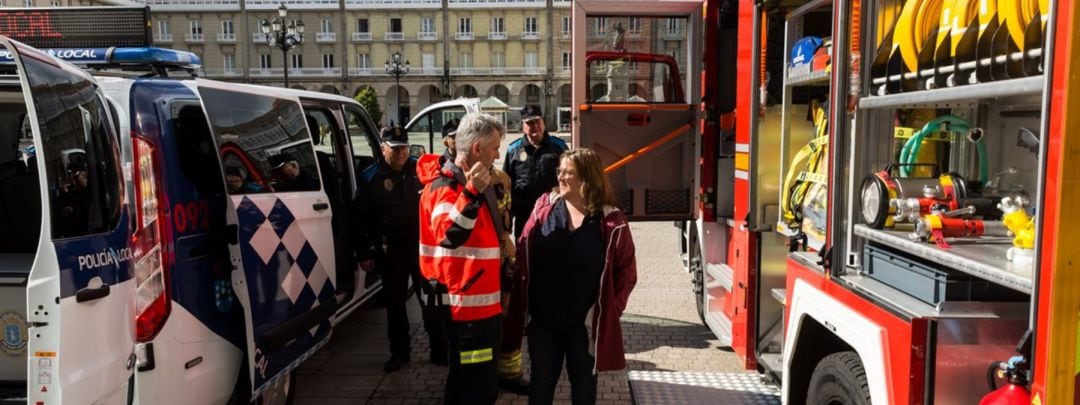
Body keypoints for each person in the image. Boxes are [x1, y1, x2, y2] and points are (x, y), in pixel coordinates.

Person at [515, 148, 637, 405]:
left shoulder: (611, 220)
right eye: (560, 170)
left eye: (568, 172)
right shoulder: (544, 208)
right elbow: (523, 247)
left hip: (584, 325)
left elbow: (626, 271)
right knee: (541, 383)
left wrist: (611, 309)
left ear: (586, 178)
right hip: (544, 320)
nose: (560, 176)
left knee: (583, 385)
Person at [417, 112, 506, 405]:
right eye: (494, 147)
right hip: (467, 310)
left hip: (479, 305)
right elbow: (448, 235)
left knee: (470, 380)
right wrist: (471, 192)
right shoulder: (446, 187)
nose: (497, 154)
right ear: (477, 148)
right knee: (475, 387)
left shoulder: (469, 184)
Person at [356, 126, 447, 372]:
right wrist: (364, 253)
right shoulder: (371, 178)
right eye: (395, 149)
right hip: (391, 251)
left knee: (431, 300)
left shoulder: (420, 170)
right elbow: (359, 219)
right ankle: (399, 352)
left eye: (404, 148)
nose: (401, 153)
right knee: (395, 305)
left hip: (422, 249)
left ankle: (439, 349)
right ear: (383, 149)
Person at [504, 105, 568, 237]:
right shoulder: (513, 150)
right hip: (524, 215)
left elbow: (569, 177)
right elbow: (506, 184)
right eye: (529, 123)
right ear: (523, 126)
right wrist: (507, 214)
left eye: (537, 121)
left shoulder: (559, 147)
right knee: (524, 253)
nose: (535, 126)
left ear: (543, 122)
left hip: (552, 213)